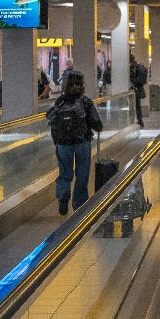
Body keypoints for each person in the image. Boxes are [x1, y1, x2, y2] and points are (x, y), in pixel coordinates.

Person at [47, 69, 104, 215]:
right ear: (82, 85)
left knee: (65, 172)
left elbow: (51, 119)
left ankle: (63, 195)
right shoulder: (85, 101)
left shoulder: (60, 101)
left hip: (62, 144)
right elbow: (96, 122)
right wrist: (98, 127)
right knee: (82, 173)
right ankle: (80, 205)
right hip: (82, 142)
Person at [128, 53, 149, 125]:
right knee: (138, 105)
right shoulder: (137, 65)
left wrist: (130, 77)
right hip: (138, 89)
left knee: (136, 106)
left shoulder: (133, 66)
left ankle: (138, 121)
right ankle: (140, 121)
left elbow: (134, 77)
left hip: (135, 88)